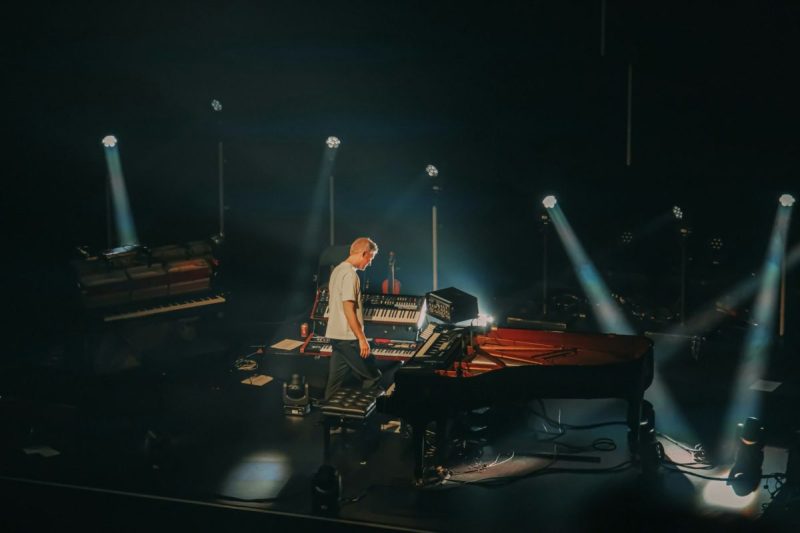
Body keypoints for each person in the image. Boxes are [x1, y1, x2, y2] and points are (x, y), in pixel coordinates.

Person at [324, 237, 382, 400]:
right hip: (348, 337)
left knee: (334, 383)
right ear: (364, 253)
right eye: (370, 258)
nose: (369, 263)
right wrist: (362, 338)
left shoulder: (337, 270)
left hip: (336, 336)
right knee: (372, 377)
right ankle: (361, 417)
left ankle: (330, 421)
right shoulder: (350, 275)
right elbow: (348, 308)